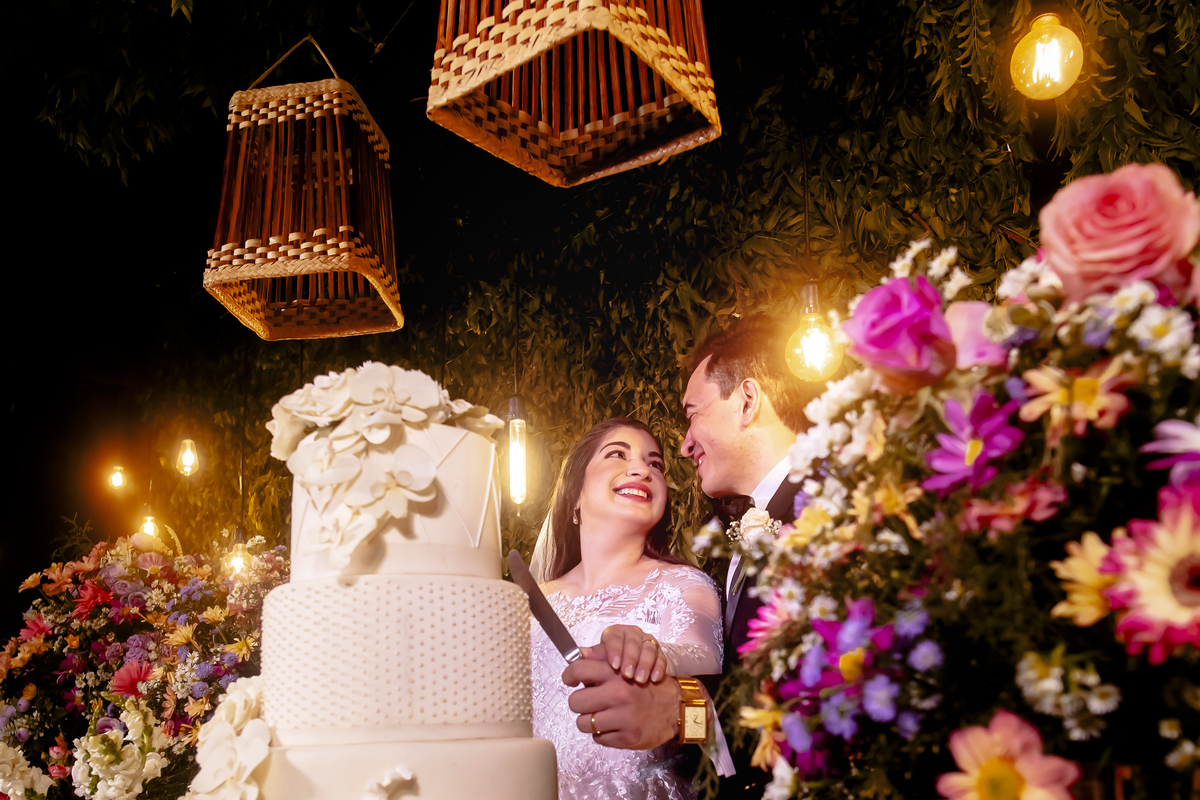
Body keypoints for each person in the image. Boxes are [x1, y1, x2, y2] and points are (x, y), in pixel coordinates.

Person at [562, 316, 820, 798]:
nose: (684, 444)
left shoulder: (829, 505)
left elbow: (832, 694)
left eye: (691, 414)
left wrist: (681, 709)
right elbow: (751, 700)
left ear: (747, 400)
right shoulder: (743, 534)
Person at [530, 417, 723, 800]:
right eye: (617, 454)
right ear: (575, 496)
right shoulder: (528, 605)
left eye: (655, 464)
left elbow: (703, 662)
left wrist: (654, 655)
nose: (641, 469)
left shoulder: (683, 584)